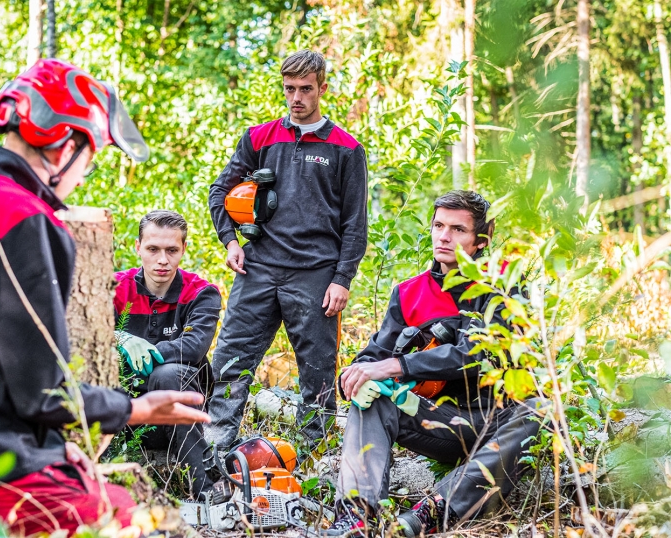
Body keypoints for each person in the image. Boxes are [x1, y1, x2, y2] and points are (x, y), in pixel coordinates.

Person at [0, 59, 209, 536]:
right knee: (156, 524)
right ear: (65, 146)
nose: (86, 171)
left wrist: (52, 448)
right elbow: (45, 392)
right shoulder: (21, 216)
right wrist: (137, 408)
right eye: (91, 156)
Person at [326, 191, 541, 537]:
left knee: (538, 409)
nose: (444, 236)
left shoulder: (504, 286)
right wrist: (353, 377)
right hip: (436, 420)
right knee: (373, 396)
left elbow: (475, 355)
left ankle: (430, 513)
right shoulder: (409, 292)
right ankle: (357, 516)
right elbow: (373, 356)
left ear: (480, 240)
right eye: (439, 225)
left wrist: (395, 366)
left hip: (495, 417)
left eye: (458, 229)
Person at [205, 49, 368, 448]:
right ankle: (211, 455)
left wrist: (342, 278)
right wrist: (230, 241)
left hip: (316, 276)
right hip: (257, 269)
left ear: (323, 89)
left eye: (306, 89)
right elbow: (219, 190)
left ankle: (315, 464)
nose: (297, 98)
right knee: (229, 363)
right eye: (290, 89)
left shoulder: (346, 148)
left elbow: (355, 224)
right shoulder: (260, 137)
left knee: (317, 376)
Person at [114, 210, 222, 497]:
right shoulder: (115, 289)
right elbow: (82, 335)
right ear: (138, 247)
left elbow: (195, 347)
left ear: (184, 249)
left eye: (172, 250)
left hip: (176, 413)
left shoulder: (202, 293)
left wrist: (146, 350)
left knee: (170, 373)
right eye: (153, 249)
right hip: (121, 410)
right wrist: (120, 337)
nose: (162, 260)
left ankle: (205, 488)